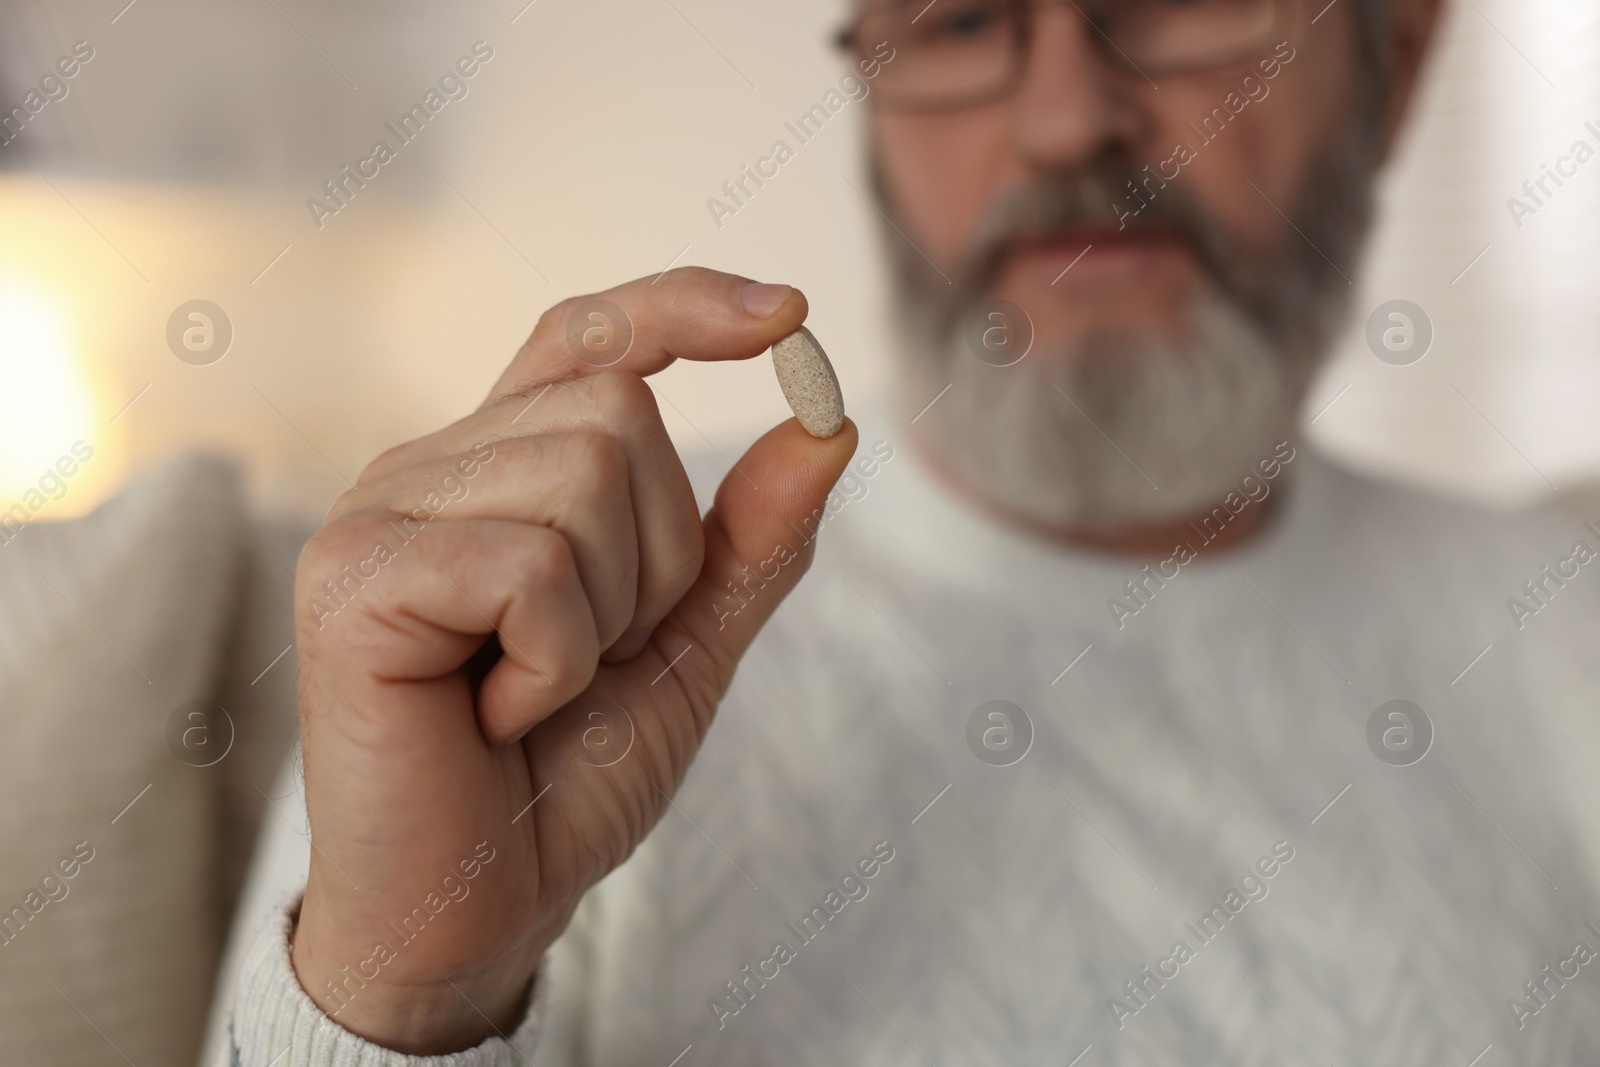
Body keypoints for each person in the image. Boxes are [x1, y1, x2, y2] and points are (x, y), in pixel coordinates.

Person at [222, 0, 1600, 1063]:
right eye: (960, 17)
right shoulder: (534, 633)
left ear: (1398, 57)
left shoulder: (1562, 626)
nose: (1068, 119)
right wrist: (406, 992)